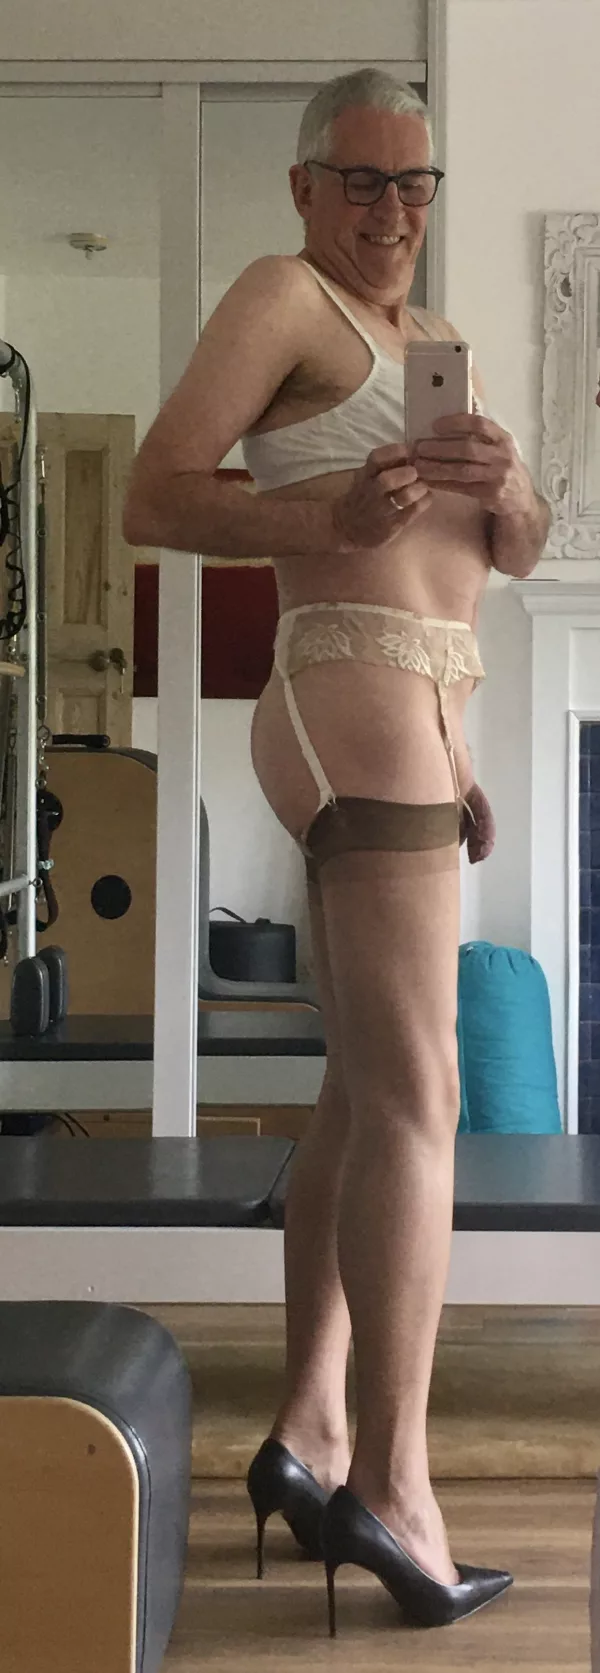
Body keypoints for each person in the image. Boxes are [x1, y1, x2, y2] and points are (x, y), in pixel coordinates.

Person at [123, 67, 550, 1635]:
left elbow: (498, 558)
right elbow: (155, 495)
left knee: (365, 1093)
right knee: (426, 1100)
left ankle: (309, 1431)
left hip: (422, 714)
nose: (391, 211)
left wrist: (511, 494)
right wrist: (327, 522)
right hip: (344, 689)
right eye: (362, 181)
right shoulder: (279, 296)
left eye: (414, 183)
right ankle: (398, 1485)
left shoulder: (434, 340)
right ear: (306, 186)